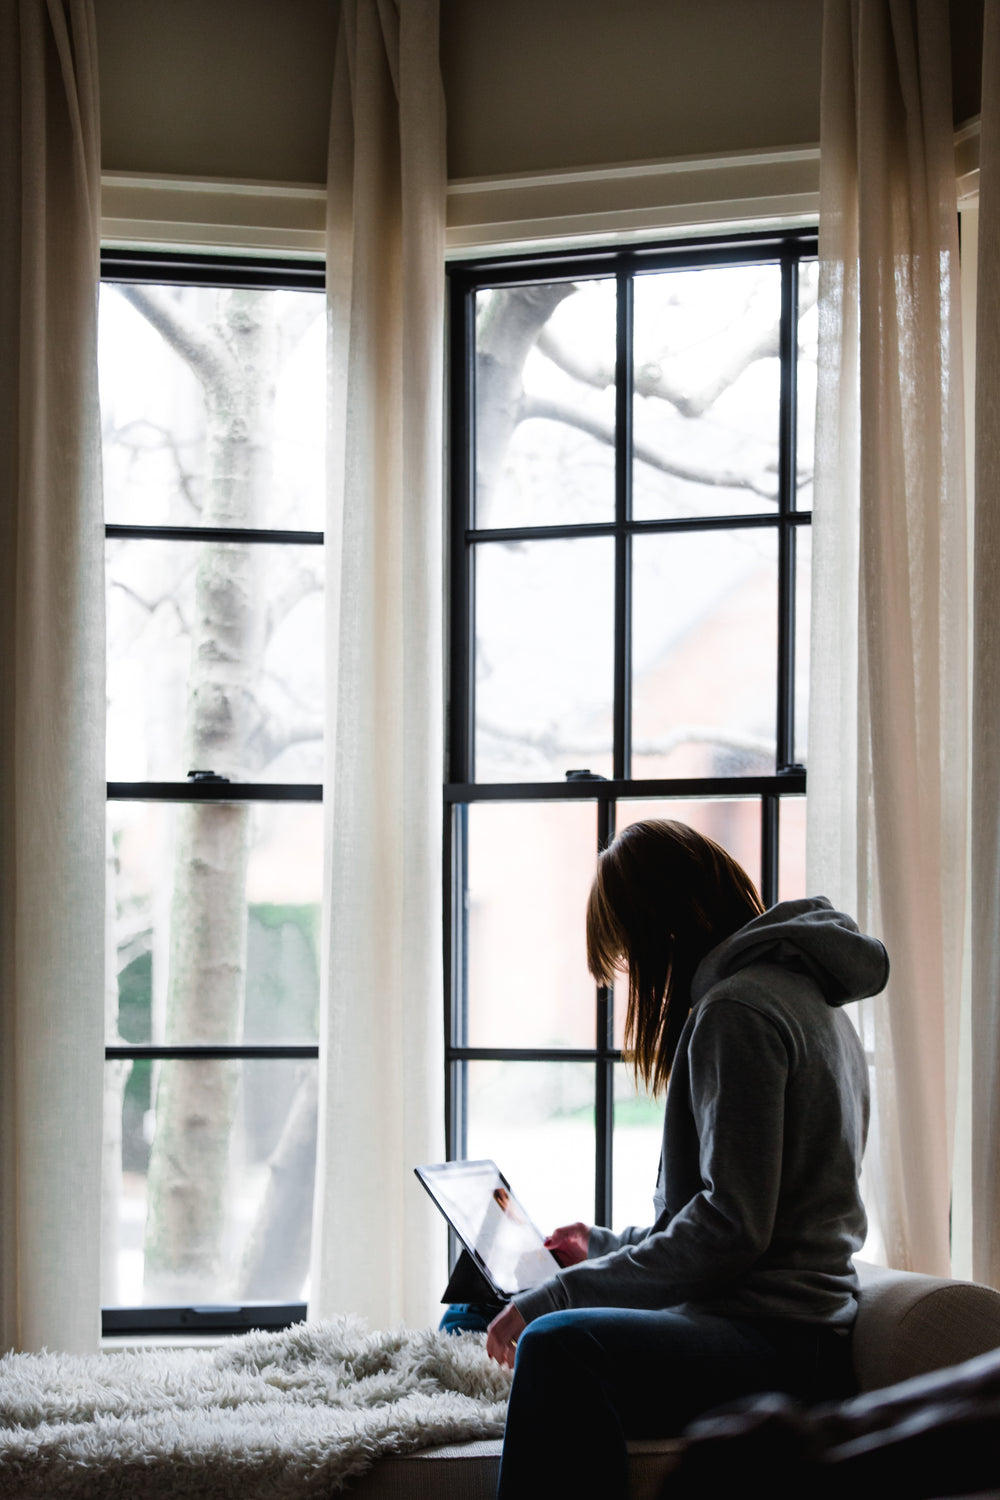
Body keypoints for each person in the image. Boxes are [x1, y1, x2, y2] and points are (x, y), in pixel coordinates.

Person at [485, 818, 889, 1499]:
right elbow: (737, 1213)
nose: (637, 981)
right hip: (773, 1330)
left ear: (662, 931)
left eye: (628, 955)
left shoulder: (740, 1011)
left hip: (778, 1345)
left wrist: (563, 1292)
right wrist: (605, 1247)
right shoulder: (808, 999)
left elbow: (732, 1229)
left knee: (557, 1345)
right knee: (484, 1307)